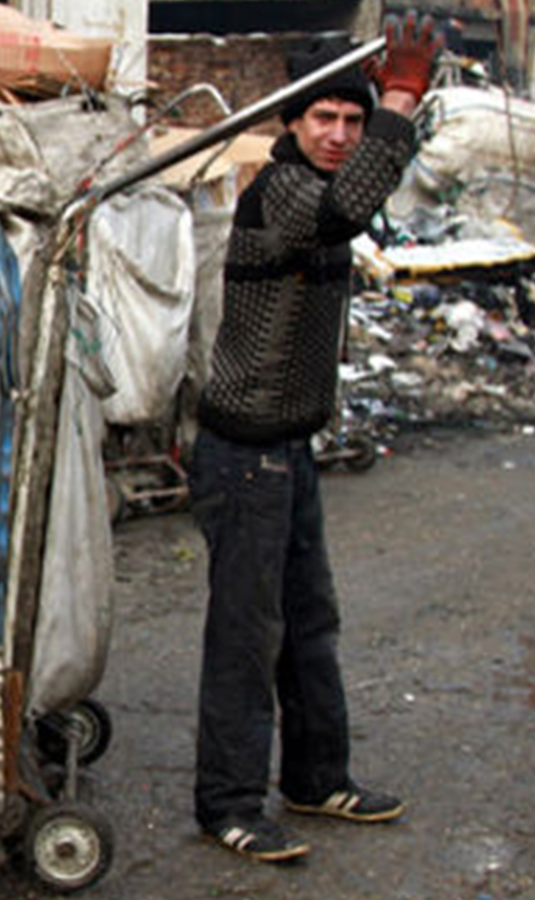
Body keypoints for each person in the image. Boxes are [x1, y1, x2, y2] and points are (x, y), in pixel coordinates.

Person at [188, 14, 443, 862]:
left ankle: (315, 777)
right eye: (323, 119)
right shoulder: (282, 191)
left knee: (309, 622)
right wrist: (399, 97)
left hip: (288, 449)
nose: (338, 134)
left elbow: (362, 197)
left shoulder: (324, 185)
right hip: (244, 455)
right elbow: (347, 209)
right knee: (245, 637)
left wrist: (394, 111)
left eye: (353, 119)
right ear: (292, 126)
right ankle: (227, 802)